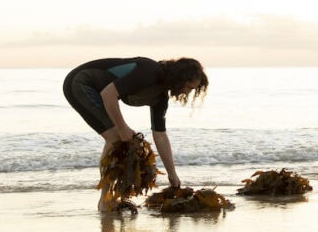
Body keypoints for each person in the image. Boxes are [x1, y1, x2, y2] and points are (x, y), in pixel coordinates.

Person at [62, 56, 208, 211]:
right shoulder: (149, 72)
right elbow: (108, 94)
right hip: (80, 82)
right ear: (180, 78)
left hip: (96, 91)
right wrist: (122, 127)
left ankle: (109, 199)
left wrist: (172, 175)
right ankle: (105, 201)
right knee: (115, 138)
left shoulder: (160, 97)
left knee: (118, 139)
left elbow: (160, 135)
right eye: (190, 87)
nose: (188, 92)